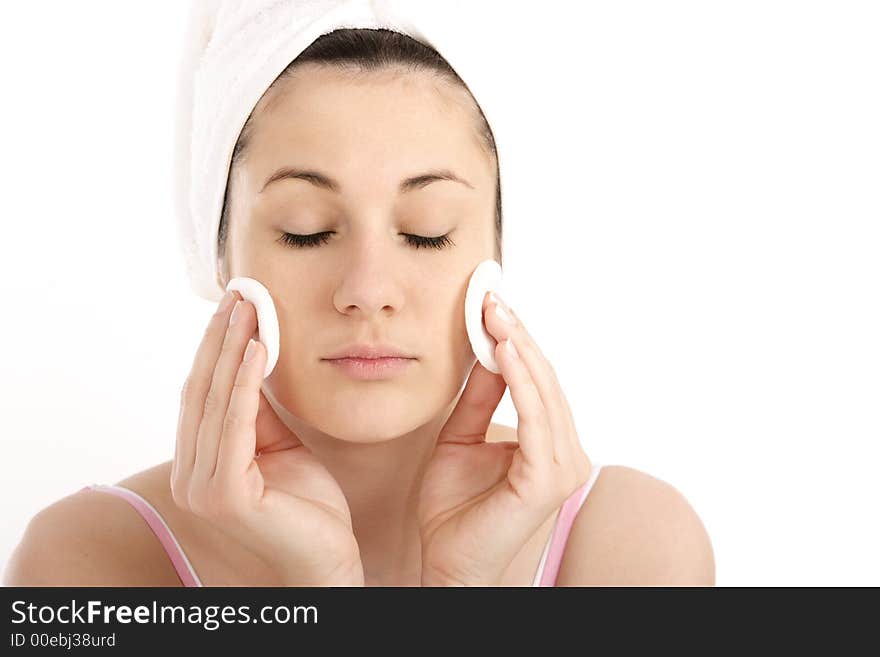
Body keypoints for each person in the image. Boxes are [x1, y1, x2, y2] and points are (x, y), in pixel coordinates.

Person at [4, 28, 714, 587]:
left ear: (498, 254)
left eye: (427, 230)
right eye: (306, 228)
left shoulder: (632, 547)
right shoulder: (86, 563)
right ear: (217, 255)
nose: (368, 287)